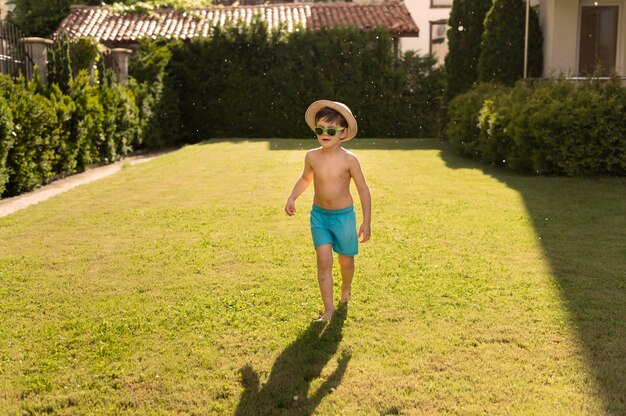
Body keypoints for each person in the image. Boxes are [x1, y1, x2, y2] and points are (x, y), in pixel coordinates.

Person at [285, 100, 371, 322]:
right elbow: (306, 178)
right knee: (323, 260)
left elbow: (363, 189)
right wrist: (293, 196)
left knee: (345, 261)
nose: (324, 134)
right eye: (320, 129)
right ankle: (329, 309)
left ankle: (346, 288)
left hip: (343, 217)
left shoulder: (349, 160)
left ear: (342, 134)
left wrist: (366, 221)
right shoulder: (312, 157)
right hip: (319, 216)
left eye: (330, 130)